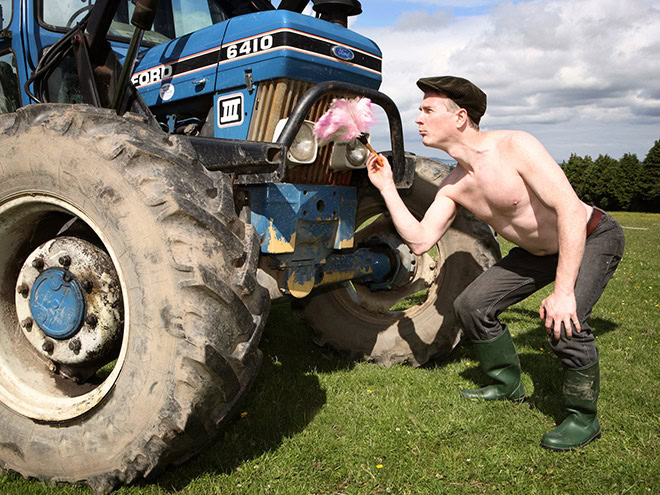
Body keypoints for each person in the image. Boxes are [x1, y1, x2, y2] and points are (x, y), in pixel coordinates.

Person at [366, 76, 625, 451]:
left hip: (592, 234)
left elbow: (569, 210)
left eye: (427, 110)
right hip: (536, 254)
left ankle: (582, 417)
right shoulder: (455, 184)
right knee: (471, 306)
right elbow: (421, 240)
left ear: (460, 117)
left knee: (567, 319)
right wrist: (387, 187)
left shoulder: (515, 146)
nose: (418, 118)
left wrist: (563, 291)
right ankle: (506, 384)